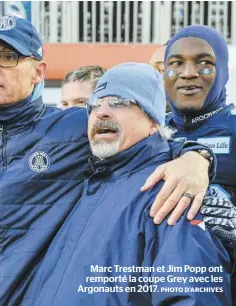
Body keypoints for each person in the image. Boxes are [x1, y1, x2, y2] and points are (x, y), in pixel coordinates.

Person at [0, 16, 215, 305]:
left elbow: (144, 139)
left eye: (8, 57)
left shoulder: (73, 129)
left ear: (38, 72)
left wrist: (197, 158)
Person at [26, 63, 231, 306]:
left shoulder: (173, 192)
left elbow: (192, 298)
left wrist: (197, 157)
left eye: (119, 102)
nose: (101, 112)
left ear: (154, 121)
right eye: (94, 105)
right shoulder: (88, 185)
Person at [164, 24, 236, 304]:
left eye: (204, 63)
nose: (188, 72)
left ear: (224, 72)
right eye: (176, 63)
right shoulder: (147, 131)